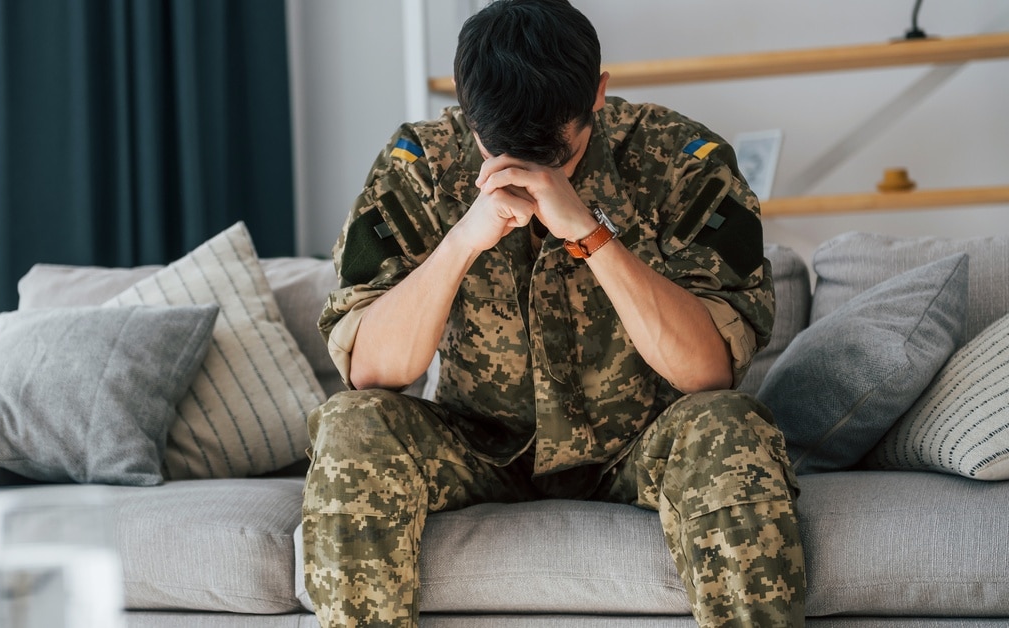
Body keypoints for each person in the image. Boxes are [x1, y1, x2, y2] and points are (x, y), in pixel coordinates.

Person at [301, 1, 805, 626]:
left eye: (553, 157)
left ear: (598, 93)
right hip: (481, 448)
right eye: (500, 153)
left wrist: (591, 234)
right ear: (465, 106)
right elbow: (374, 372)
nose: (526, 178)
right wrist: (462, 240)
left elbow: (706, 373)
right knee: (352, 423)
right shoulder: (421, 165)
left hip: (638, 446)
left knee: (732, 424)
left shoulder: (683, 161)